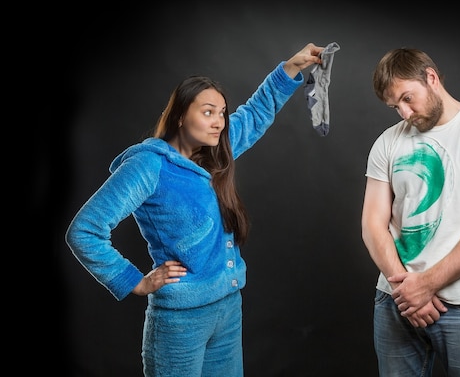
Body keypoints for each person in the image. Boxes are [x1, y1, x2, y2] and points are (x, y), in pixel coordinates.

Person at [65, 43, 325, 377]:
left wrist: (291, 66)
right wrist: (135, 281)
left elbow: (256, 113)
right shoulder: (149, 165)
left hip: (228, 309)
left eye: (221, 112)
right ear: (179, 117)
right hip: (181, 321)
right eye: (207, 112)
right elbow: (85, 230)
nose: (219, 122)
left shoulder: (212, 154)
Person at [361, 48, 460, 376]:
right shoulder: (387, 142)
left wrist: (425, 285)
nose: (404, 113)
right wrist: (406, 291)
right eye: (395, 107)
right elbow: (372, 224)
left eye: (408, 98)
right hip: (396, 303)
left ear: (431, 78)